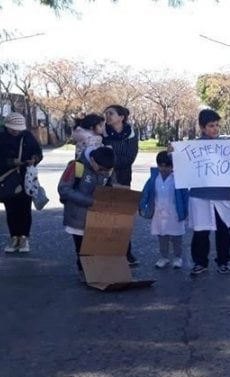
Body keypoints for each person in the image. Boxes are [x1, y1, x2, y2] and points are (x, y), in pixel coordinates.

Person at [183, 109, 230, 276]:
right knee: (200, 230)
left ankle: (223, 261)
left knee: (223, 230)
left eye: (217, 125)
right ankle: (200, 262)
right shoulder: (191, 146)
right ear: (202, 127)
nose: (215, 129)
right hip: (199, 195)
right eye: (211, 126)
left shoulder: (227, 146)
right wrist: (174, 154)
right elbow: (183, 167)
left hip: (221, 195)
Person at [0, 112, 43, 253]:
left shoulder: (27, 136)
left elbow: (38, 151)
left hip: (25, 176)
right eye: (13, 129)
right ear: (7, 126)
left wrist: (34, 159)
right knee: (11, 208)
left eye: (18, 129)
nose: (16, 132)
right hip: (7, 177)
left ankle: (24, 237)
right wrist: (9, 162)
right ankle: (14, 237)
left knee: (25, 207)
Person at [58, 146, 115, 277]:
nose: (103, 172)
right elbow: (64, 189)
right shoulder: (76, 166)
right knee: (82, 248)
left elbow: (109, 185)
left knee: (96, 246)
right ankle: (84, 271)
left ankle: (94, 271)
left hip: (97, 216)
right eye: (100, 169)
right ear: (93, 160)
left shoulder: (107, 168)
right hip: (77, 216)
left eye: (107, 170)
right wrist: (89, 201)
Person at [102, 104, 139, 266]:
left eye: (111, 113)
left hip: (123, 179)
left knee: (122, 217)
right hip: (104, 180)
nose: (108, 117)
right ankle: (105, 251)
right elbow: (99, 156)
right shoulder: (102, 133)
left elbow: (129, 158)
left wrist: (110, 160)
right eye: (106, 114)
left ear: (121, 117)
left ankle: (126, 252)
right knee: (104, 218)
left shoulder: (130, 134)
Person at [139, 151, 189, 270]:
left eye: (167, 166)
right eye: (161, 166)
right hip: (159, 211)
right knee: (162, 236)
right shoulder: (154, 178)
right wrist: (142, 205)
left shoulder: (178, 179)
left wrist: (186, 211)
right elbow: (146, 192)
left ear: (173, 166)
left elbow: (185, 196)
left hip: (175, 212)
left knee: (176, 237)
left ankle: (178, 257)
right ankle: (164, 257)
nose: (164, 169)